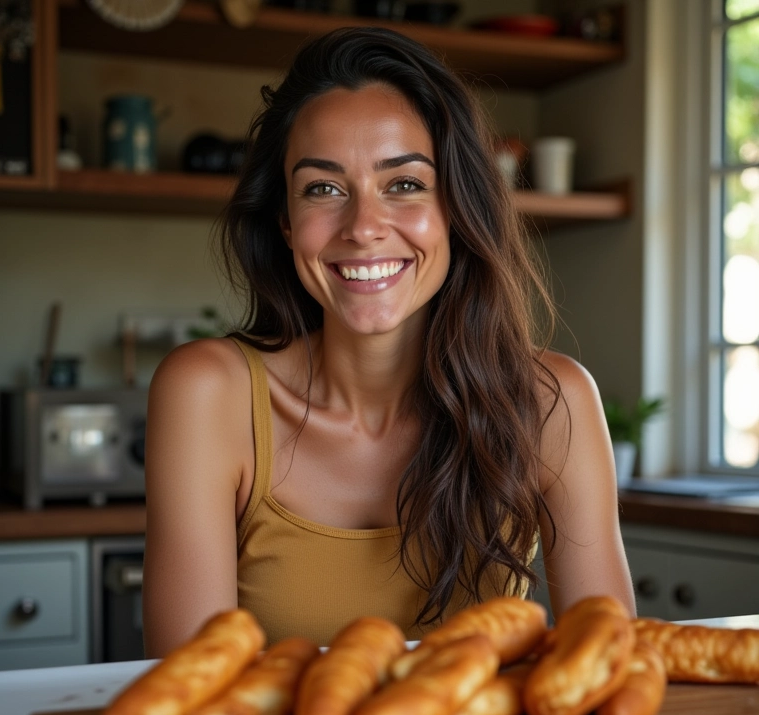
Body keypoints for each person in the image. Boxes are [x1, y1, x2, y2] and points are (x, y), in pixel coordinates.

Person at [142, 27, 635, 658]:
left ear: (456, 208)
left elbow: (610, 668)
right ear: (287, 223)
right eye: (323, 188)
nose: (364, 227)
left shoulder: (551, 402)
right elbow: (188, 694)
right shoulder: (209, 394)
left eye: (404, 184)